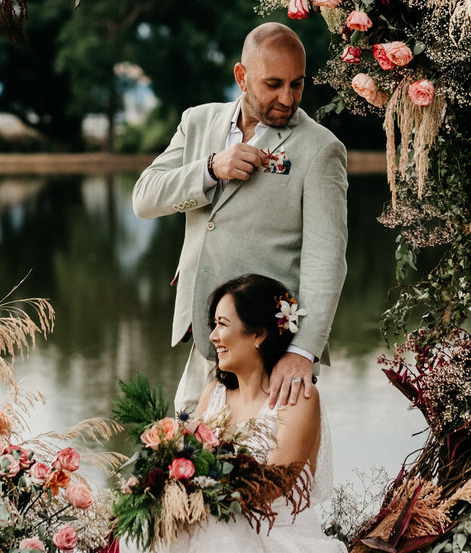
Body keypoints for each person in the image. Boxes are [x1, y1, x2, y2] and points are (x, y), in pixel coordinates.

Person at [132, 22, 347, 409]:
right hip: (205, 336)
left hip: (271, 351)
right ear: (241, 77)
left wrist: (302, 351)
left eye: (297, 84)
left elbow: (326, 260)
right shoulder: (197, 122)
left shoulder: (321, 148)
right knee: (184, 458)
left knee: (260, 465)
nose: (287, 97)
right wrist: (211, 168)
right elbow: (145, 199)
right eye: (273, 84)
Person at [117, 274, 352, 553]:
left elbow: (275, 483)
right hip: (214, 521)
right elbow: (187, 458)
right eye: (214, 324)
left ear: (258, 333)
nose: (213, 336)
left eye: (223, 324)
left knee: (217, 534)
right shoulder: (212, 393)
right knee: (141, 530)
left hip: (274, 535)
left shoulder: (297, 398)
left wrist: (206, 491)